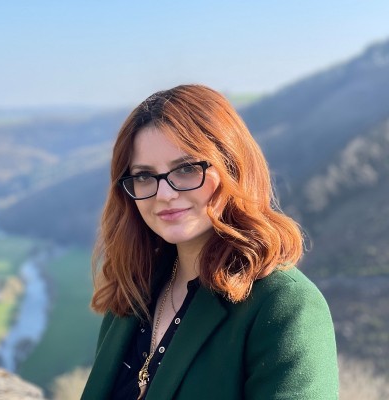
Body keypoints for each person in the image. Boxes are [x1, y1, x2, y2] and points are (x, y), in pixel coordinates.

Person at [81, 84, 338, 400]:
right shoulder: (134, 292)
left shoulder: (285, 306)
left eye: (187, 169)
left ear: (233, 167)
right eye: (145, 176)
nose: (164, 194)